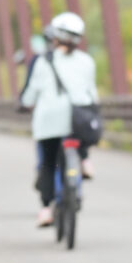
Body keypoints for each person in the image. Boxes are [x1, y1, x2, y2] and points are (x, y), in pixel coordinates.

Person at [18, 12, 99, 227]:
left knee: (48, 163)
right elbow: (91, 93)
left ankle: (46, 209)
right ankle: (83, 161)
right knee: (79, 139)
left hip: (49, 121)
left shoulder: (43, 61)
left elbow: (31, 93)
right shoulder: (87, 61)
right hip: (77, 119)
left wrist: (24, 103)